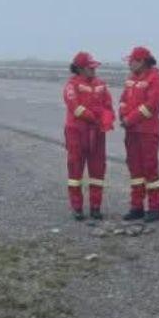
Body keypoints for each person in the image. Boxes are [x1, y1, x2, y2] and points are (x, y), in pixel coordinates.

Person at [62, 52, 115, 222]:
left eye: (94, 67)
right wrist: (95, 118)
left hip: (97, 134)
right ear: (79, 68)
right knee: (75, 170)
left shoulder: (101, 84)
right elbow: (75, 108)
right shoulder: (71, 86)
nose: (93, 69)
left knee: (98, 170)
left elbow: (108, 104)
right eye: (89, 67)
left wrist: (107, 118)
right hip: (77, 133)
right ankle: (77, 208)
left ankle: (95, 207)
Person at [118, 46, 159, 223]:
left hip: (147, 132)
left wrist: (129, 119)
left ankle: (154, 208)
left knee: (150, 169)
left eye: (133, 61)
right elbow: (123, 100)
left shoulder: (155, 79)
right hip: (132, 132)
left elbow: (151, 106)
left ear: (142, 62)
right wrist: (122, 114)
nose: (129, 64)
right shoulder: (131, 79)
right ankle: (137, 206)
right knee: (135, 170)